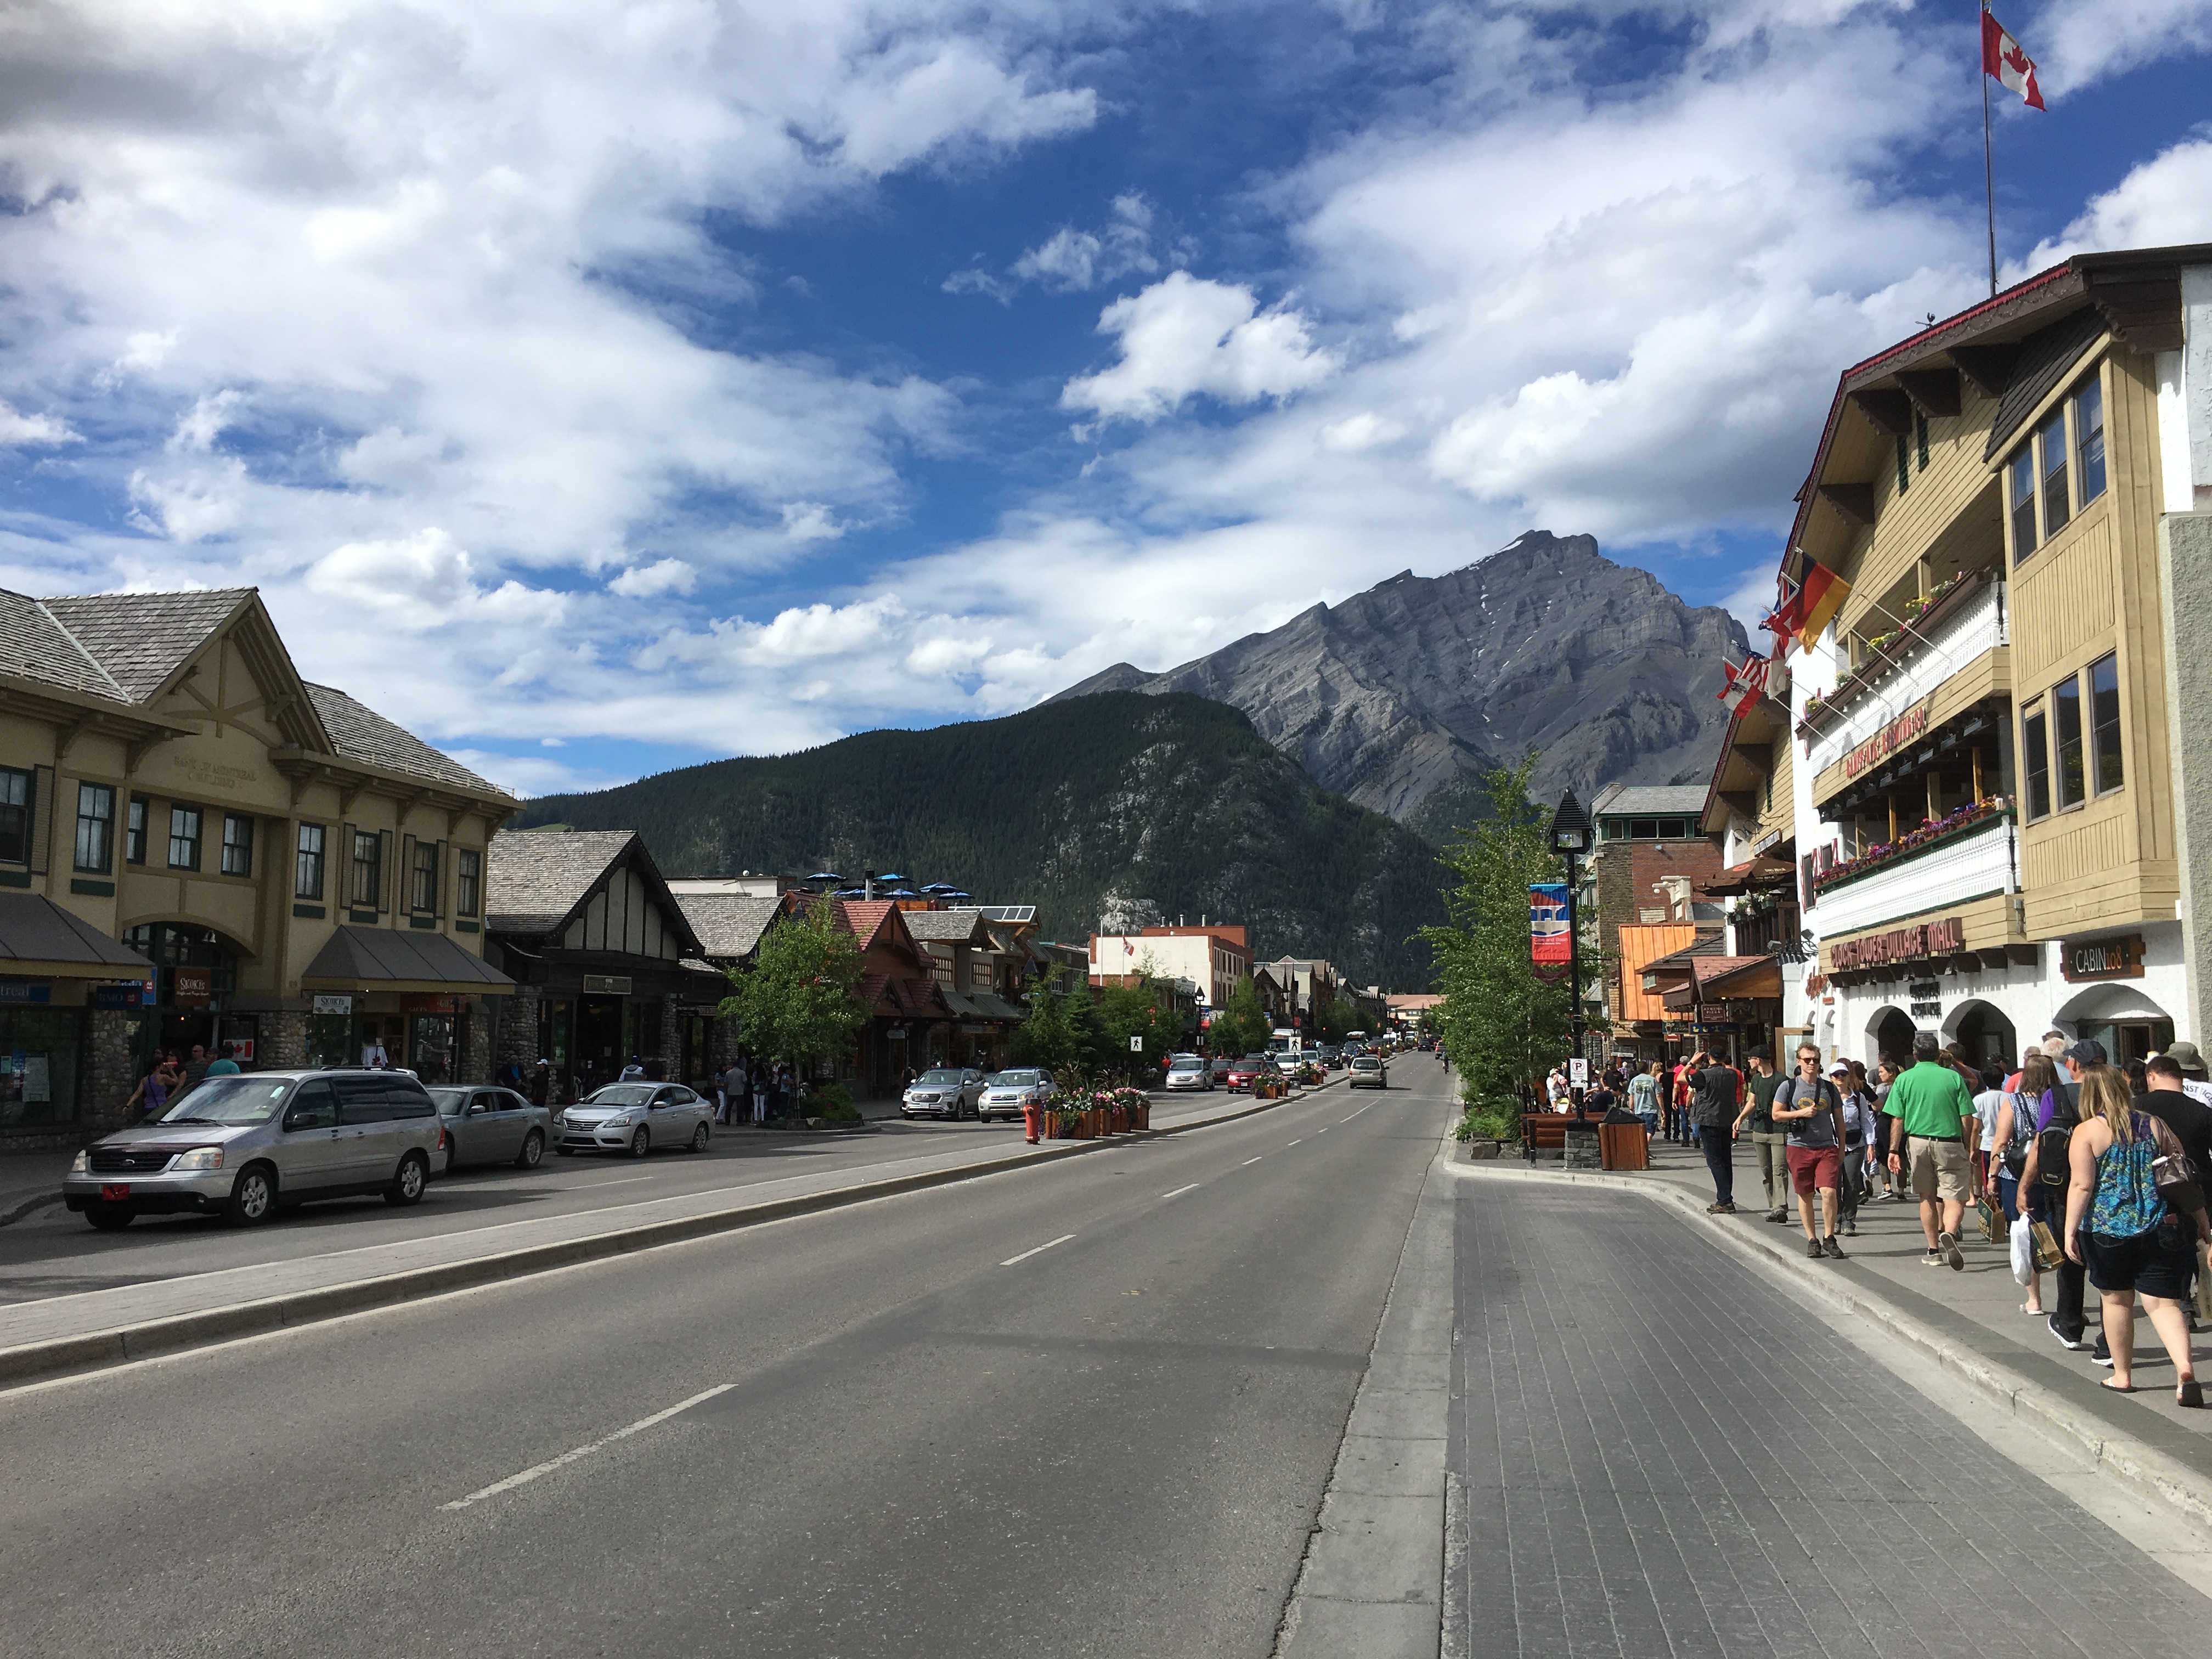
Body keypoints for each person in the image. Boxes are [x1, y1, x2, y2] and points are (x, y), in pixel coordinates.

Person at [2063, 1063, 2208, 1404]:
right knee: (2163, 1304)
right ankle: (2185, 1371)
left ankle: (2122, 1375)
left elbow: (2082, 1185)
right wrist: (2202, 1219)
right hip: (2160, 1225)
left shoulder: (2086, 1131)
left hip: (2106, 1229)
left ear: (2090, 1094)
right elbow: (2182, 1175)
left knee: (2116, 1299)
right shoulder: (2154, 1124)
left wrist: (2069, 1231)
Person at [2022, 1039, 2102, 1355]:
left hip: (2064, 1187)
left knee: (2071, 1254)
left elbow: (2041, 1144)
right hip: (2109, 1187)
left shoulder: (2057, 1096)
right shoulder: (2118, 1097)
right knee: (2107, 1267)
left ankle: (2070, 1324)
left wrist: (2026, 1186)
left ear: (2073, 1066)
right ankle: (2111, 1337)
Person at [1882, 1030, 1978, 1270]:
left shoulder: (1904, 1080)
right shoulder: (1953, 1078)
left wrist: (1893, 1150)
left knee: (1926, 1196)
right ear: (1937, 1054)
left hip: (1917, 1141)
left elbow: (1897, 1119)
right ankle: (1951, 1232)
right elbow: (1967, 1116)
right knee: (1955, 1195)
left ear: (1914, 1055)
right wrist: (1966, 1143)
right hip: (1950, 1140)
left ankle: (1933, 1249)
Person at [2137, 1053, 2212, 1328]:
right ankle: (2188, 1301)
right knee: (2191, 1244)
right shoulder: (2200, 1111)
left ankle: (2171, 1302)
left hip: (2148, 1190)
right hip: (2194, 1188)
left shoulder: (2137, 1109)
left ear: (2152, 1076)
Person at [1994, 1053, 2058, 1316]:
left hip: (2018, 1176)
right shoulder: (2060, 1101)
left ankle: (2035, 1299)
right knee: (2057, 1232)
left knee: (2026, 1234)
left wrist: (1991, 1176)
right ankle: (2069, 1300)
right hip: (2055, 1175)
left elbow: (2000, 1142)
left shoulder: (2014, 1102)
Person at [1773, 1043, 1847, 1257]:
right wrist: (1800, 1114)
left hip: (1826, 1147)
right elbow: (1776, 1115)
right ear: (1799, 1062)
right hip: (1799, 1147)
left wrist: (1841, 1148)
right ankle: (1812, 1239)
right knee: (1805, 1194)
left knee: (1829, 1192)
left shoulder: (1829, 1087)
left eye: (1815, 1059)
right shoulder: (1788, 1087)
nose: (1812, 1063)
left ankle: (1829, 1237)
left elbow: (1840, 1121)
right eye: (1807, 1060)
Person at [1733, 1048, 1789, 1223]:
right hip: (1759, 1130)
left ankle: (1781, 1208)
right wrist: (1740, 1118)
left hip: (1779, 1130)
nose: (1748, 1062)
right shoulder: (1756, 1079)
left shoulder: (1782, 1080)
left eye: (1750, 1059)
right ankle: (1774, 1207)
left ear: (1758, 1060)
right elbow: (1752, 1102)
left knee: (1779, 1170)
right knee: (1767, 1171)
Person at [1690, 1050, 1743, 1214]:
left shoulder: (1702, 1075)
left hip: (1709, 1120)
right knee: (1726, 1160)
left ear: (1709, 1057)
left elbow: (1681, 1078)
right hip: (1727, 1120)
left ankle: (1725, 1200)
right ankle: (1726, 1198)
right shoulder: (1732, 1074)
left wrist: (1692, 1062)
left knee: (1715, 1161)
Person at [1833, 1063, 1875, 1237]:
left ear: (1849, 1076)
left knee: (1850, 1184)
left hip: (1854, 1145)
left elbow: (1866, 1121)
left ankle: (1849, 1221)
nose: (1840, 1077)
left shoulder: (1858, 1097)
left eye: (1843, 1074)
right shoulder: (1826, 1097)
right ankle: (1836, 1218)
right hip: (1832, 1145)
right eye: (1836, 1075)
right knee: (1833, 1186)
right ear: (1831, 1078)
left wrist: (1871, 1145)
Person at [1627, 1060, 1662, 1138]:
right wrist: (1662, 1109)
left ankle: (1643, 1148)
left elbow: (1631, 1096)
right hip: (1651, 1110)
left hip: (1639, 1110)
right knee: (1650, 1131)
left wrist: (1631, 1108)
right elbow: (1658, 1095)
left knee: (1640, 1132)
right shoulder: (1652, 1080)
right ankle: (1645, 1147)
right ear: (1647, 1069)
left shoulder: (1634, 1080)